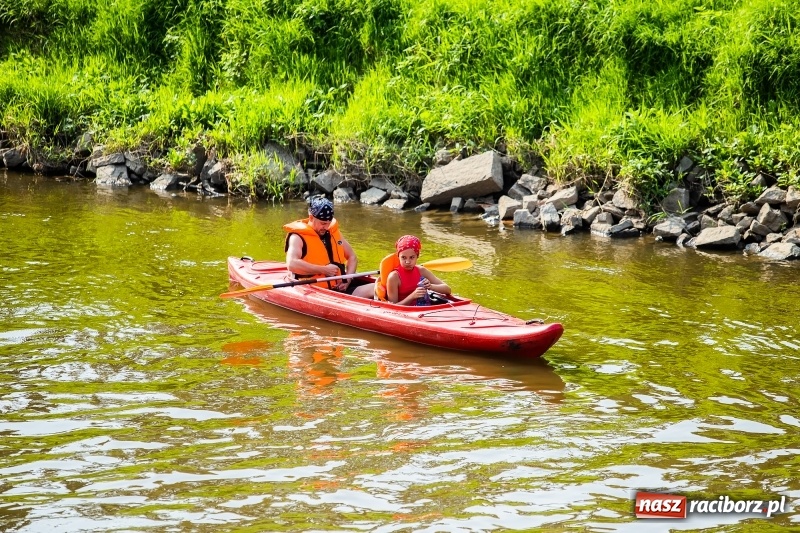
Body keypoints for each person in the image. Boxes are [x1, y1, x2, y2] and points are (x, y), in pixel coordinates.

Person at [284, 197, 375, 298]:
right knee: (374, 289)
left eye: (328, 223)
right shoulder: (297, 237)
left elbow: (352, 257)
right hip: (315, 291)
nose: (326, 227)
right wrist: (323, 270)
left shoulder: (333, 232)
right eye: (323, 223)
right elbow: (292, 264)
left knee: (378, 286)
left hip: (340, 289)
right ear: (311, 218)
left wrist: (347, 280)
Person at [378, 235, 451, 306]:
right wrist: (412, 296)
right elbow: (392, 307)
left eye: (412, 257)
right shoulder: (394, 277)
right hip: (405, 312)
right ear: (398, 256)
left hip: (423, 309)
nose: (407, 262)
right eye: (403, 257)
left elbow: (448, 289)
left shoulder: (421, 271)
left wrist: (431, 286)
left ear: (417, 256)